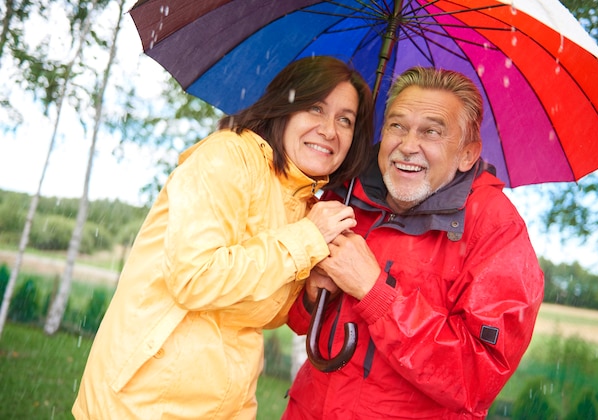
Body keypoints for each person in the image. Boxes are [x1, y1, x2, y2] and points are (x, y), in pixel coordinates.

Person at [72, 56, 374, 419]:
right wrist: (307, 237)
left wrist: (308, 291)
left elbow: (259, 309)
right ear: (285, 108)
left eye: (346, 120)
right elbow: (195, 278)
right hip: (145, 400)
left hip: (224, 404)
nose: (330, 130)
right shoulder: (227, 157)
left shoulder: (301, 199)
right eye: (315, 108)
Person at [282, 67, 544, 419]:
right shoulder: (343, 194)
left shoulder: (497, 229)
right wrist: (313, 295)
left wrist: (374, 292)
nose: (407, 146)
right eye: (397, 126)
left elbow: (476, 378)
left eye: (431, 132)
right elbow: (297, 320)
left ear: (468, 153)